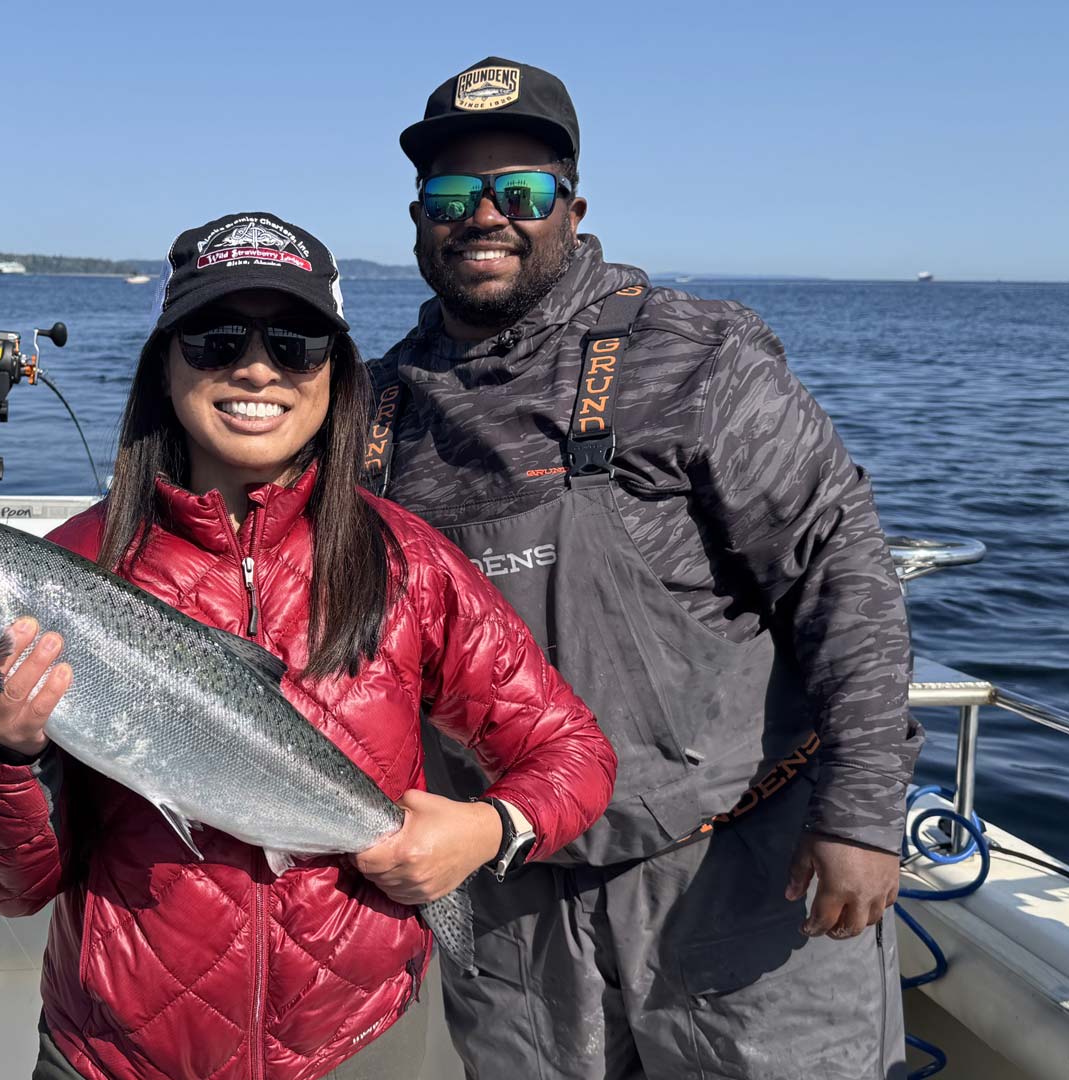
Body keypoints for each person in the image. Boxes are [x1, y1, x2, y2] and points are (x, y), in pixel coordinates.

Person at [0, 211, 618, 1080]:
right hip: (114, 1055)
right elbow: (7, 889)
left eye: (296, 342)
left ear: (336, 375)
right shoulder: (67, 568)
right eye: (216, 337)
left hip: (353, 1046)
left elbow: (573, 750)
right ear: (164, 366)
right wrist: (4, 753)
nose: (256, 367)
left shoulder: (406, 561)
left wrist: (488, 829)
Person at [365, 58, 918, 1079]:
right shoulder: (369, 410)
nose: (484, 217)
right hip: (506, 899)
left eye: (519, 193)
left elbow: (843, 576)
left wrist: (862, 811)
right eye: (451, 197)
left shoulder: (695, 353)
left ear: (572, 209)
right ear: (416, 221)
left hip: (737, 875)